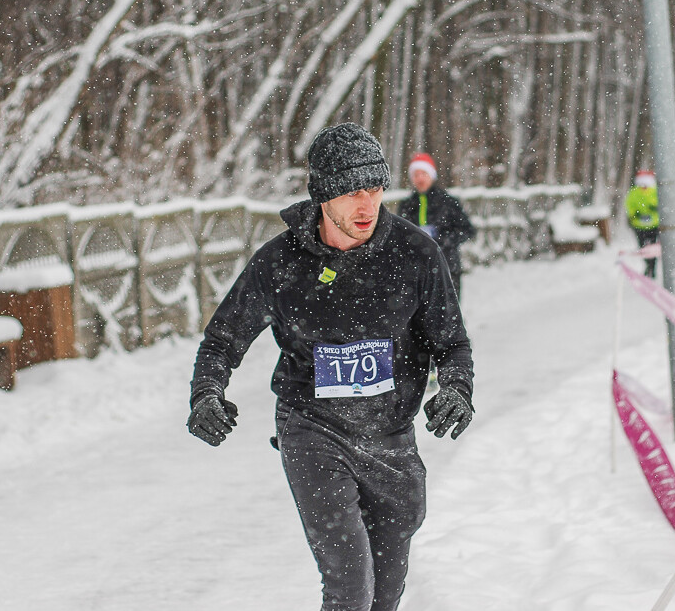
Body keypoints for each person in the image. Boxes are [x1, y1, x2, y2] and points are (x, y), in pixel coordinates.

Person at [187, 123, 475, 611]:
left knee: (383, 597)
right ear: (323, 194)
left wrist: (457, 389)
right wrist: (206, 393)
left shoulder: (416, 254)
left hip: (390, 439)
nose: (366, 206)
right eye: (350, 192)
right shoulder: (280, 263)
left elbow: (452, 343)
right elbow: (222, 339)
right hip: (312, 429)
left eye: (375, 189)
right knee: (350, 589)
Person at [396, 152, 476, 299]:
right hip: (416, 271)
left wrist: (442, 239)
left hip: (446, 267)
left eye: (423, 173)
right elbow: (399, 235)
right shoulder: (407, 205)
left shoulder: (448, 202)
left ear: (432, 175)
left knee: (448, 313)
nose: (420, 178)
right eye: (416, 174)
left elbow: (467, 230)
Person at [624, 169, 660, 278]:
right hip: (639, 225)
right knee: (642, 247)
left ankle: (652, 268)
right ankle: (648, 265)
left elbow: (660, 205)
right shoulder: (634, 192)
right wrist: (635, 214)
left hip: (654, 225)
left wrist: (654, 209)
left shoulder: (655, 191)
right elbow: (630, 205)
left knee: (653, 247)